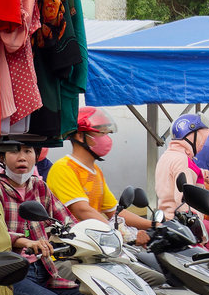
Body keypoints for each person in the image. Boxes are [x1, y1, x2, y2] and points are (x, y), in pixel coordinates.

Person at [0, 143, 90, 295]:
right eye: (14, 151)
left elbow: (67, 221)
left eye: (28, 151)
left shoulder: (40, 187)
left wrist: (91, 234)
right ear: (2, 158)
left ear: (36, 156)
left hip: (46, 271)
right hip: (13, 275)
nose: (22, 157)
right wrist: (26, 242)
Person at [46, 106, 152, 247]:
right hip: (72, 250)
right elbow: (82, 210)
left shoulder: (95, 171)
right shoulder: (63, 168)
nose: (106, 139)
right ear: (79, 136)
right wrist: (124, 234)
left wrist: (154, 224)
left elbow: (114, 211)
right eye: (101, 133)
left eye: (107, 133)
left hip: (97, 246)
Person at [155, 112, 209, 221]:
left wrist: (203, 173)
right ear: (191, 136)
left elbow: (174, 178)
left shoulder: (167, 156)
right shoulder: (183, 161)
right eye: (202, 138)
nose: (203, 144)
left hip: (165, 221)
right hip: (182, 225)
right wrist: (195, 223)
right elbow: (185, 201)